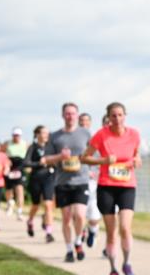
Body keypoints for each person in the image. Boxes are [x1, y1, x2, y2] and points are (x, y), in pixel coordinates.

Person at [82, 102, 141, 275]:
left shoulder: (134, 134)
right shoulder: (101, 135)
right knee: (111, 231)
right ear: (108, 117)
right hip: (106, 186)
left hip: (127, 186)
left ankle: (127, 263)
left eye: (120, 115)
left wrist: (137, 160)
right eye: (113, 116)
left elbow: (137, 155)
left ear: (125, 115)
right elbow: (84, 157)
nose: (117, 119)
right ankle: (113, 270)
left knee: (125, 227)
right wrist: (104, 160)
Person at [43, 103, 91, 262]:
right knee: (66, 218)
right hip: (62, 181)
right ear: (63, 116)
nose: (70, 116)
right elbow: (46, 159)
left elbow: (94, 154)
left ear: (77, 115)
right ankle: (69, 250)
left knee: (80, 214)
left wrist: (88, 162)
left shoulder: (85, 134)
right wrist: (59, 157)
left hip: (81, 180)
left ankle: (78, 241)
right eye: (67, 114)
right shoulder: (55, 136)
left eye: (73, 113)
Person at [24, 125, 56, 242]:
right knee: (36, 205)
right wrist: (39, 164)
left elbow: (57, 160)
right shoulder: (32, 147)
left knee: (48, 205)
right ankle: (30, 221)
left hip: (49, 179)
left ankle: (49, 232)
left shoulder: (51, 148)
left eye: (47, 133)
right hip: (35, 179)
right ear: (37, 134)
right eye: (43, 133)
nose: (46, 135)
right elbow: (26, 163)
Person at [79, 112, 101, 249]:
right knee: (79, 211)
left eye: (86, 121)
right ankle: (81, 232)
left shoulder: (96, 139)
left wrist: (96, 172)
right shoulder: (74, 139)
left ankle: (93, 230)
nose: (83, 123)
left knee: (93, 211)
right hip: (77, 180)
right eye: (81, 121)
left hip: (93, 181)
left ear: (90, 123)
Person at [3, 127, 28, 220]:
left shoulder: (25, 144)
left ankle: (20, 211)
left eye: (17, 135)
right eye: (14, 135)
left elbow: (28, 156)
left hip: (20, 167)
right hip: (10, 166)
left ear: (20, 136)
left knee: (20, 189)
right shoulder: (7, 144)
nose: (16, 137)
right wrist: (5, 164)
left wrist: (27, 166)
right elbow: (2, 154)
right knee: (8, 189)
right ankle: (10, 203)